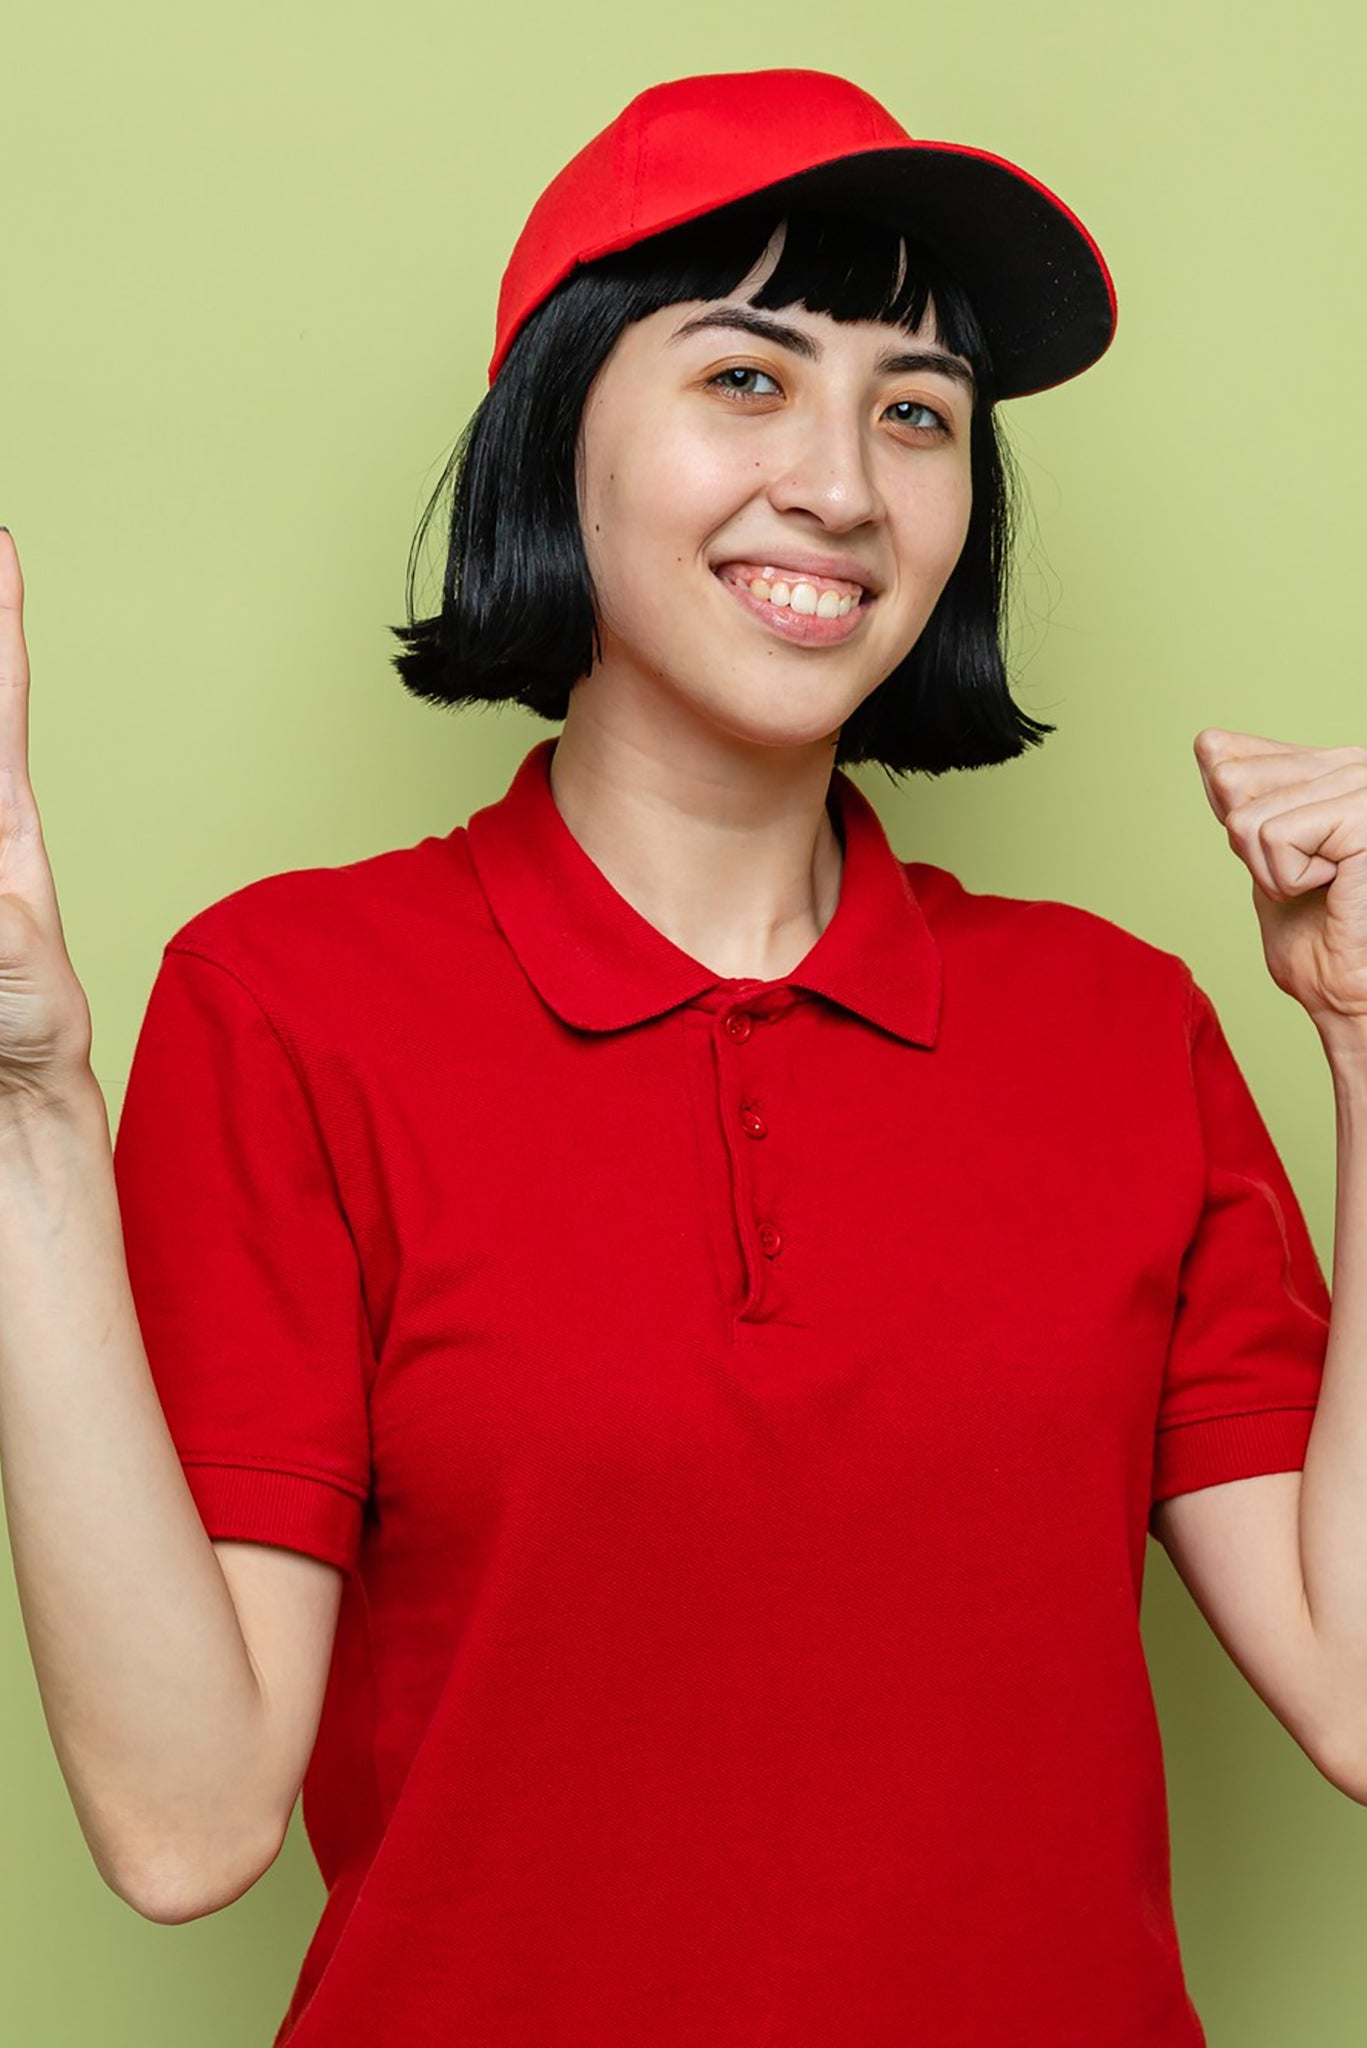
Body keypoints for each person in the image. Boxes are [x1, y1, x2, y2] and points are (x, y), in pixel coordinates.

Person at [3, 63, 1367, 2048]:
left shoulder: (1122, 1029)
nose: (843, 485)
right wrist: (29, 1115)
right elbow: (183, 1823)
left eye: (917, 412)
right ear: (555, 431)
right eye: (746, 376)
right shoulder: (293, 1002)